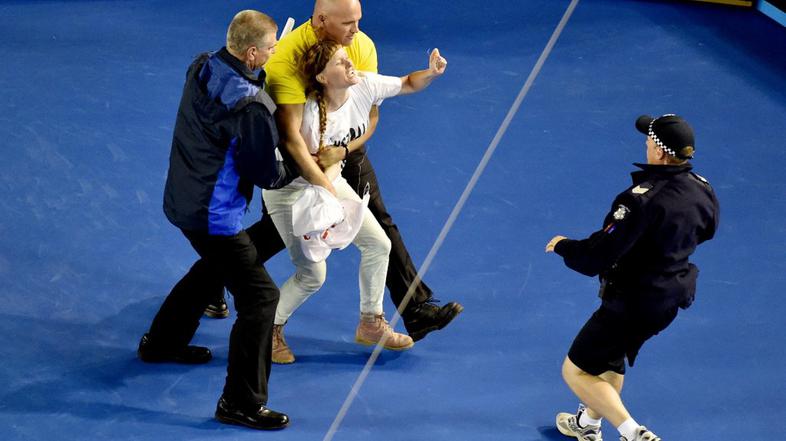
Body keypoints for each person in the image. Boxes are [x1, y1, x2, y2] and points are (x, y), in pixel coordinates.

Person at [204, 0, 464, 343]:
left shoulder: (361, 49)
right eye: (347, 24)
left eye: (358, 20)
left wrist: (341, 151)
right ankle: (217, 281)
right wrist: (324, 185)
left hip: (342, 150)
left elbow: (371, 113)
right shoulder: (287, 64)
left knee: (377, 231)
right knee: (286, 239)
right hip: (293, 167)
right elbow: (291, 141)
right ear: (321, 21)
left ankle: (400, 313)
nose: (355, 32)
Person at [137, 10, 293, 430]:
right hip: (213, 216)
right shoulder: (251, 106)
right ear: (253, 53)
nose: (277, 51)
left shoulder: (203, 63)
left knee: (214, 269)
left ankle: (162, 343)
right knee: (261, 298)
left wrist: (259, 75)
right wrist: (294, 169)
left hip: (181, 200)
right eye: (273, 46)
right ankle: (240, 403)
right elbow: (266, 173)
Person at [265, 40, 448, 363]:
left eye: (347, 59)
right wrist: (331, 197)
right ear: (322, 78)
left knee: (379, 244)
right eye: (340, 62)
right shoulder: (306, 113)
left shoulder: (364, 84)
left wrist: (431, 73)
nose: (350, 65)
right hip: (291, 192)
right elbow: (306, 167)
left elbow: (408, 82)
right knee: (312, 275)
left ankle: (370, 322)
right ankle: (268, 330)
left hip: (330, 183)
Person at [545, 114, 719, 441]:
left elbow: (598, 255)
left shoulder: (639, 199)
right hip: (669, 297)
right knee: (608, 362)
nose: (646, 142)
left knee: (576, 370)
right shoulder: (703, 188)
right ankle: (587, 425)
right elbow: (707, 230)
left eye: (650, 139)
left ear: (660, 152)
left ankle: (632, 431)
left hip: (631, 300)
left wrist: (564, 246)